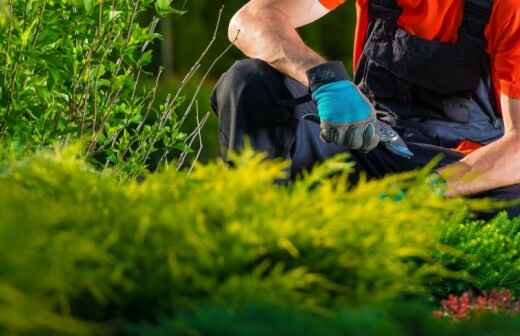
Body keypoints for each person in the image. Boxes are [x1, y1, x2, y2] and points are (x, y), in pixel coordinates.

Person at [211, 0, 520, 217]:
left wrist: (423, 191)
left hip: (455, 169)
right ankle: (258, 232)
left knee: (510, 208)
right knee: (248, 81)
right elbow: (248, 21)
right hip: (365, 139)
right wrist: (324, 79)